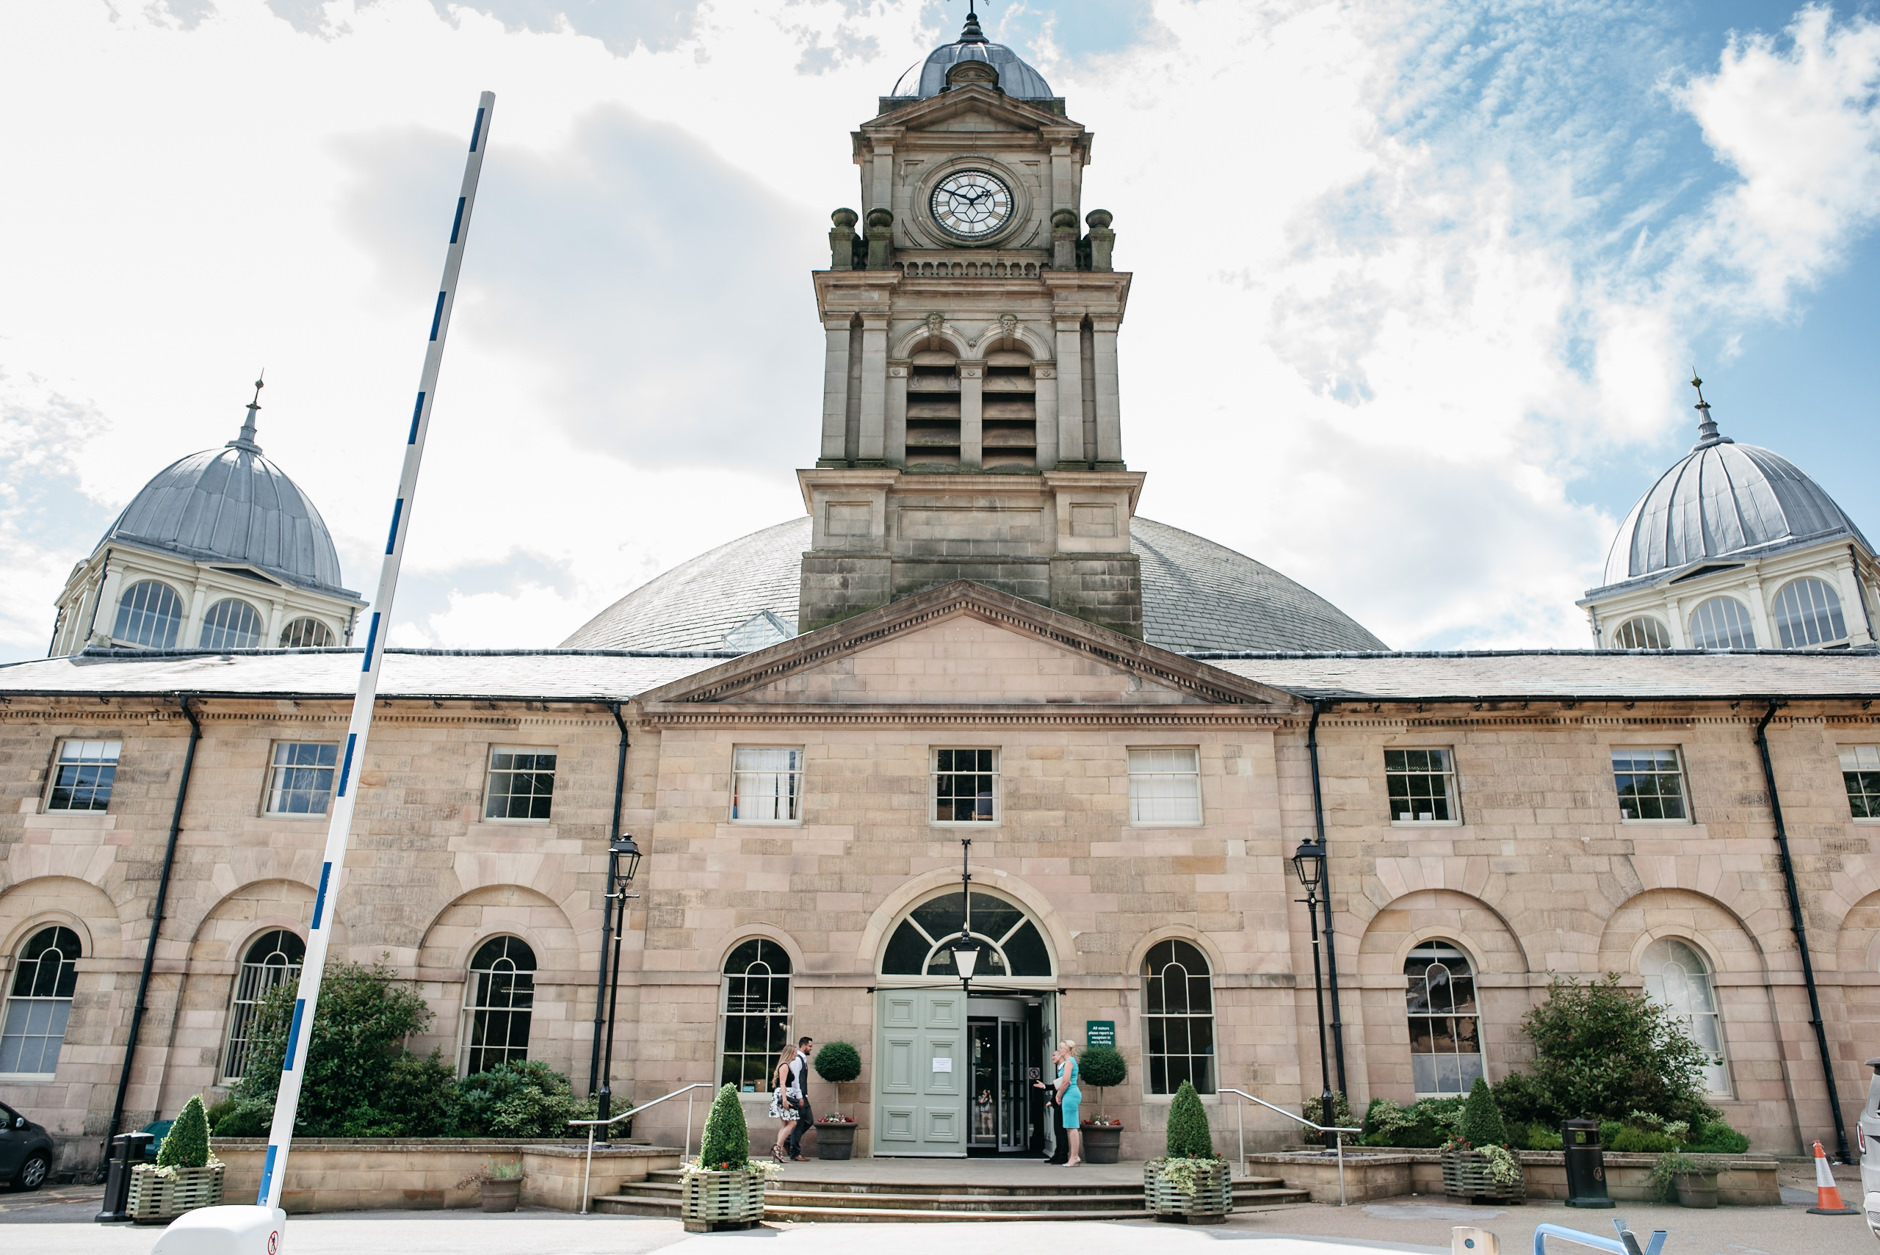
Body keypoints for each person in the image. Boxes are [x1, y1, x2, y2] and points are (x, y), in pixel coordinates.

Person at [1035, 1040, 1083, 1165]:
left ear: (1066, 1049)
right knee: (1070, 1127)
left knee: (1072, 1128)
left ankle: (1074, 1156)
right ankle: (1073, 1156)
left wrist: (1058, 1096)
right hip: (1070, 1094)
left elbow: (1066, 1082)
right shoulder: (1070, 1062)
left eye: (1061, 1048)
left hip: (1070, 1094)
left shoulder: (1069, 1062)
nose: (1060, 1050)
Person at [782, 1035, 815, 1161]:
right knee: (799, 1123)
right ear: (804, 1045)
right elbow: (795, 1080)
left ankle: (789, 1141)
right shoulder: (797, 1060)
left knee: (808, 1121)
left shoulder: (802, 1059)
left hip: (802, 1095)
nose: (811, 1049)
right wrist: (800, 1097)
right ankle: (795, 1152)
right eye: (810, 1046)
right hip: (798, 1096)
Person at [768, 1043, 800, 1163]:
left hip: (785, 1095)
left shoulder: (786, 1065)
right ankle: (777, 1147)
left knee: (785, 1125)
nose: (796, 1054)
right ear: (790, 1053)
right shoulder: (784, 1066)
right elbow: (782, 1083)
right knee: (792, 1123)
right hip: (784, 1095)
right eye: (795, 1052)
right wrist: (785, 1099)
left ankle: (778, 1150)